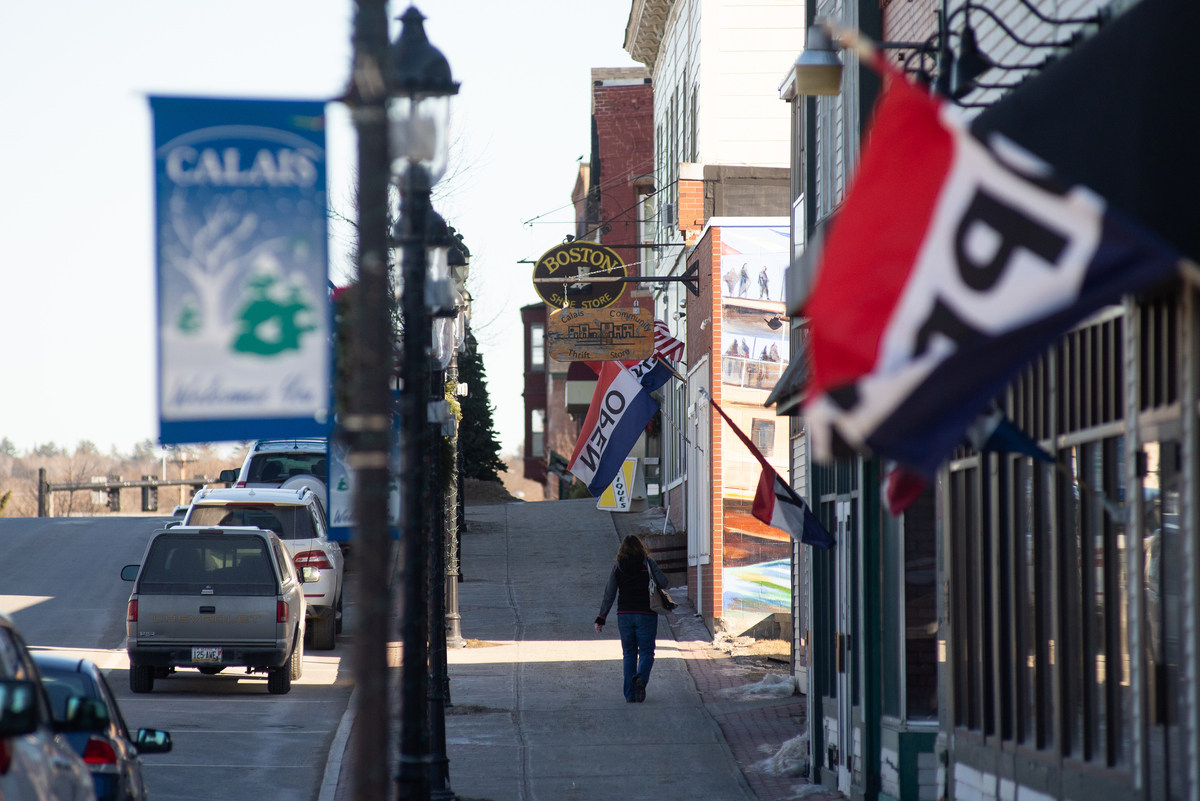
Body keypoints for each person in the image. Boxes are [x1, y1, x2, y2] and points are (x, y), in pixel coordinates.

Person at [595, 535, 671, 703]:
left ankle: (630, 695)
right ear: (641, 547)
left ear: (622, 549)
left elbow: (609, 594)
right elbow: (664, 583)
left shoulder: (618, 568)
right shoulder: (647, 563)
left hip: (624, 615)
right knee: (646, 652)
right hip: (646, 614)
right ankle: (641, 678)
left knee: (629, 654)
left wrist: (601, 617)